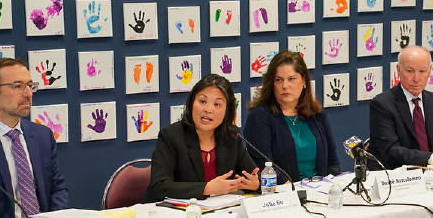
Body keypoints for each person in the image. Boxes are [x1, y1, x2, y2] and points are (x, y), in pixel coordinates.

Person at [143, 74, 259, 202]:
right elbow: (159, 186)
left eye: (217, 104)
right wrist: (206, 188)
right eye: (202, 101)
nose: (208, 109)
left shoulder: (231, 135)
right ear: (192, 102)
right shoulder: (171, 136)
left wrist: (255, 184)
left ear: (227, 110)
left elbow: (252, 174)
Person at [0, 58, 69, 218]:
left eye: (30, 85)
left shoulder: (43, 136)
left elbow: (57, 189)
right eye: (17, 86)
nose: (28, 94)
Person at [367, 46, 433, 170]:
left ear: (430, 71)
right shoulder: (382, 104)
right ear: (398, 70)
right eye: (410, 71)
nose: (416, 79)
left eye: (422, 71)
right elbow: (392, 151)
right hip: (395, 176)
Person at [243, 51, 340, 184]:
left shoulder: (316, 113)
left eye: (291, 79)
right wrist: (293, 190)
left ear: (304, 80)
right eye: (279, 80)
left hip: (320, 192)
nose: (285, 86)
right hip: (284, 194)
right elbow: (263, 164)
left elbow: (333, 162)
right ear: (271, 84)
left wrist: (328, 185)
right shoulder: (259, 117)